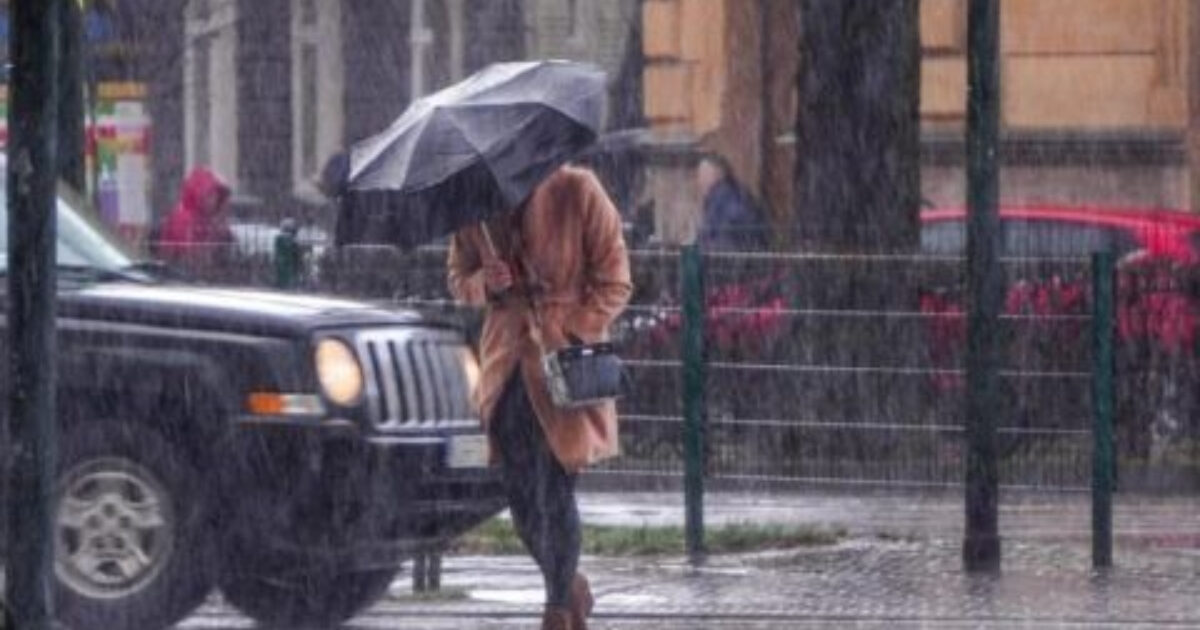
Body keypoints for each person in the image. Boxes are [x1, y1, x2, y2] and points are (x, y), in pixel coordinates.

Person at [447, 164, 632, 630]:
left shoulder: (577, 189)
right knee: (522, 499)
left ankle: (556, 608)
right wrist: (487, 283)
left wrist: (573, 329)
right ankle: (569, 586)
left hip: (563, 370)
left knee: (554, 490)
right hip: (506, 371)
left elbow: (615, 281)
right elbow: (458, 279)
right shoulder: (477, 207)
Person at [156, 166, 235, 274]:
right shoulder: (184, 219)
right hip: (181, 276)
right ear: (198, 194)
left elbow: (224, 249)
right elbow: (190, 254)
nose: (214, 200)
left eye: (216, 196)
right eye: (210, 195)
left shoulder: (210, 221)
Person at [695, 153, 769, 251]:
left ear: (719, 174)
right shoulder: (726, 196)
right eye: (699, 175)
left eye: (704, 175)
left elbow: (724, 241)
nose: (700, 180)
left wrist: (699, 249)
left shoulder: (725, 199)